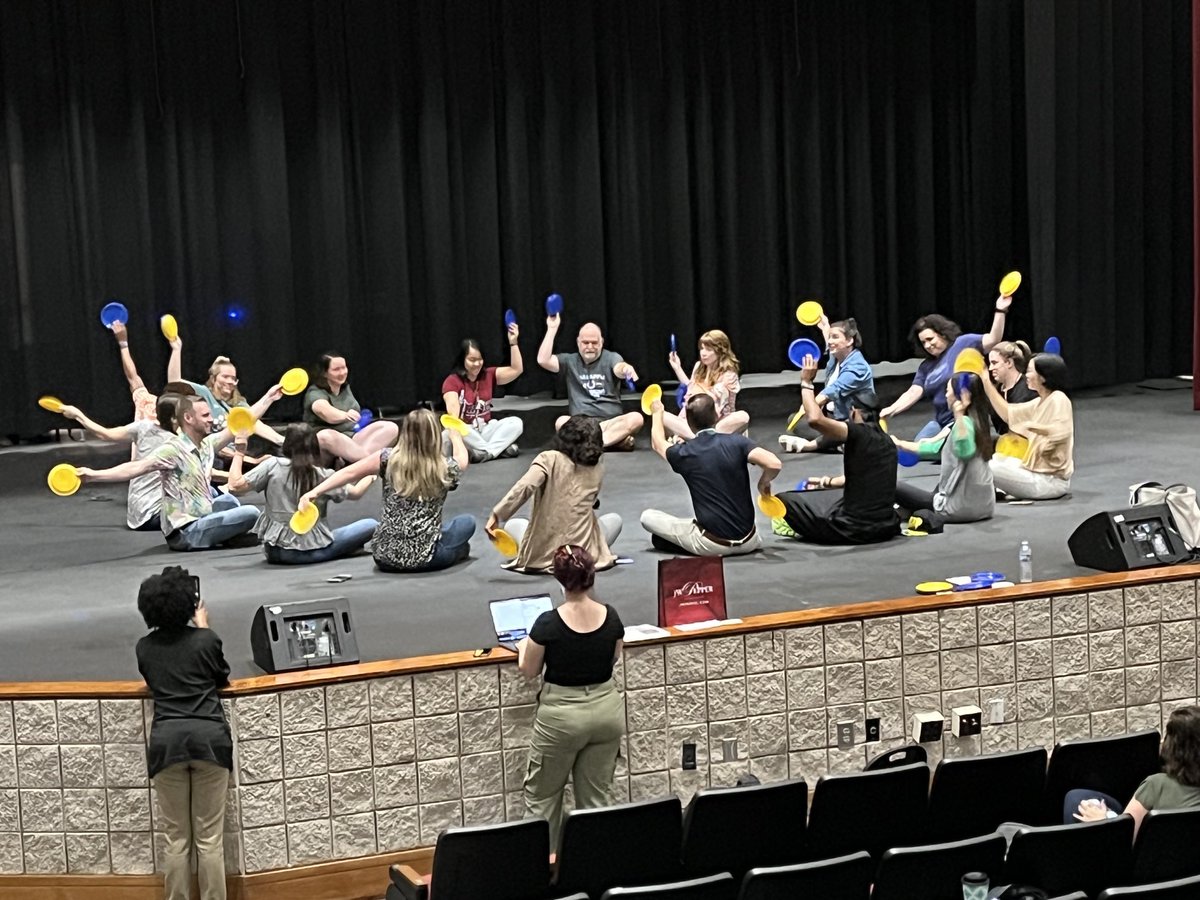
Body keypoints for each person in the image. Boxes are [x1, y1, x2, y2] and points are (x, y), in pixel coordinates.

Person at [519, 544, 625, 852]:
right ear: (592, 575)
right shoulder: (612, 616)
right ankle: (597, 872)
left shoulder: (547, 623)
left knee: (543, 798)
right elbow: (614, 657)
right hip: (606, 710)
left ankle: (544, 874)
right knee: (598, 799)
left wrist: (524, 645)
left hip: (562, 717)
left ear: (558, 578)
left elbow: (529, 669)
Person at [76, 390, 278, 550]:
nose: (211, 419)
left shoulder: (206, 444)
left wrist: (269, 397)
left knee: (229, 501)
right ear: (188, 418)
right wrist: (94, 475)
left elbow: (239, 422)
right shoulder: (172, 449)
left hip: (199, 514)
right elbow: (136, 468)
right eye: (206, 415)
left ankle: (225, 536)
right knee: (251, 512)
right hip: (185, 532)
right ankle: (223, 537)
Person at [135, 566, 232, 900]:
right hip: (209, 742)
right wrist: (203, 627)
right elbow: (220, 676)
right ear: (189, 606)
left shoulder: (144, 648)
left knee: (176, 839)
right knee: (209, 840)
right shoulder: (206, 640)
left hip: (167, 745)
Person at [299, 409, 475, 572]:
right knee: (467, 522)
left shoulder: (387, 458)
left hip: (385, 557)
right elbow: (462, 460)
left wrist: (314, 492)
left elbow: (349, 472)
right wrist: (455, 434)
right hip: (426, 558)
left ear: (406, 434)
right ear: (435, 436)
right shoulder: (445, 467)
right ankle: (451, 549)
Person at [775, 354, 900, 545]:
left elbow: (815, 420)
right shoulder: (887, 441)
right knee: (831, 496)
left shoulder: (857, 432)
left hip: (854, 529)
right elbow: (864, 478)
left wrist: (806, 382)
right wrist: (827, 482)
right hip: (887, 526)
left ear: (854, 412)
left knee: (785, 501)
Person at [641, 393, 781, 556]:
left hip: (712, 545)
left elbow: (657, 443)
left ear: (689, 423)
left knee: (648, 517)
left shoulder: (685, 453)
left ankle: (690, 538)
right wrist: (763, 483)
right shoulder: (737, 442)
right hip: (750, 541)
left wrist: (657, 413)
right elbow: (774, 463)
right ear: (716, 416)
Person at [226, 424, 379, 565]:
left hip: (272, 551)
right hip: (306, 553)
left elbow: (234, 485)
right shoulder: (323, 475)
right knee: (370, 525)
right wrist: (370, 475)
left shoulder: (272, 465)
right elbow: (356, 493)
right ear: (315, 447)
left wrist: (239, 452)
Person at [487, 415, 622, 573]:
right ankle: (592, 551)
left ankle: (541, 554)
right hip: (582, 552)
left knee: (513, 525)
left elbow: (524, 487)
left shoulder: (548, 459)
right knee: (614, 520)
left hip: (545, 554)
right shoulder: (597, 467)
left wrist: (497, 515)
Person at [880, 293, 1013, 439]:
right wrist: (891, 409)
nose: (928, 345)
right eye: (923, 343)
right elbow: (913, 392)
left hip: (964, 416)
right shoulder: (926, 366)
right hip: (941, 421)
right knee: (920, 445)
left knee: (931, 448)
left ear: (942, 334)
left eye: (930, 339)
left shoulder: (963, 343)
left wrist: (1000, 311)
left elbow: (994, 339)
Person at [59, 389, 191, 531]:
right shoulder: (175, 444)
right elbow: (132, 469)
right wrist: (93, 476)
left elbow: (106, 434)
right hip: (153, 515)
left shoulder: (144, 426)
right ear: (174, 418)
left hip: (137, 514)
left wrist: (78, 415)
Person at [1068, 706, 1200, 837]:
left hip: (1146, 855)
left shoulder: (1156, 786)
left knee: (1075, 800)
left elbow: (1125, 840)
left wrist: (1103, 819)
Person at [893, 374, 995, 524]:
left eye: (948, 391)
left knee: (891, 484)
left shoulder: (963, 423)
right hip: (984, 507)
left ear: (960, 396)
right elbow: (933, 449)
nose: (946, 395)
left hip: (959, 509)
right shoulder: (979, 421)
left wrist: (959, 414)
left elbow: (965, 451)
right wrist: (899, 443)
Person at [536, 315, 643, 449]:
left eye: (594, 343)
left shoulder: (611, 358)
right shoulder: (569, 361)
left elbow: (619, 368)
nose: (590, 347)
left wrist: (626, 369)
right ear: (578, 342)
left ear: (602, 342)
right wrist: (552, 329)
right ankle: (611, 442)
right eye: (586, 343)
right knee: (561, 422)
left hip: (611, 421)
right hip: (581, 424)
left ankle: (588, 444)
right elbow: (543, 360)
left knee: (636, 418)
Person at [980, 352, 1073, 500]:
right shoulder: (1041, 401)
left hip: (1049, 482)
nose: (1026, 375)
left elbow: (1061, 433)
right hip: (1039, 474)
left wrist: (1033, 428)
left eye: (1029, 371)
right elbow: (1008, 414)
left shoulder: (1058, 399)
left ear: (1042, 377)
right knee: (998, 458)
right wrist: (986, 382)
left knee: (988, 467)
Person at [779, 316, 875, 453]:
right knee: (795, 420)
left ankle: (813, 445)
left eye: (835, 337)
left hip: (854, 422)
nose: (830, 342)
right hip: (834, 418)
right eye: (830, 338)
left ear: (849, 341)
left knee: (819, 420)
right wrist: (825, 326)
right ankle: (839, 443)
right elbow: (829, 341)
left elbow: (825, 396)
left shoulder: (857, 368)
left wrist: (806, 383)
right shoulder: (836, 357)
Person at [170, 349, 285, 451]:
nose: (230, 381)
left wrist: (270, 397)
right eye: (225, 377)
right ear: (213, 379)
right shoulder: (204, 393)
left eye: (233, 378)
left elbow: (253, 420)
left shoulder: (238, 402)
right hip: (212, 450)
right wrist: (176, 348)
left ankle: (283, 442)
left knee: (251, 420)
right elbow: (174, 382)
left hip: (237, 452)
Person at [441, 326, 524, 462]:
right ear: (462, 360)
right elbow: (453, 418)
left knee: (516, 423)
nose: (477, 364)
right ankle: (499, 450)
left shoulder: (489, 375)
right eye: (472, 360)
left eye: (480, 359)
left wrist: (513, 343)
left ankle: (486, 453)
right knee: (447, 434)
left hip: (486, 429)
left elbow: (516, 369)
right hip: (467, 433)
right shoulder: (452, 381)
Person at [303, 352, 399, 464]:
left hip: (352, 438)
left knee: (390, 427)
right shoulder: (315, 392)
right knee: (325, 436)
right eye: (336, 369)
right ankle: (366, 462)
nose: (342, 372)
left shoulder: (345, 388)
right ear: (324, 373)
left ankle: (355, 461)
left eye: (344, 368)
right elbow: (325, 413)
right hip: (331, 442)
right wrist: (345, 415)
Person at [663, 329, 750, 439]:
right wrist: (677, 368)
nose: (703, 353)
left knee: (743, 416)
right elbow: (691, 390)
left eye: (708, 349)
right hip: (695, 422)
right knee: (661, 415)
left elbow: (716, 409)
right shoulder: (699, 367)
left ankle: (695, 438)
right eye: (701, 348)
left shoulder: (729, 375)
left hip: (717, 423)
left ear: (720, 351)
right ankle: (697, 438)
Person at [109, 319, 182, 425]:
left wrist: (123, 344)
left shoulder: (181, 430)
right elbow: (132, 377)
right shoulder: (149, 406)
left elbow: (132, 377)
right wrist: (176, 350)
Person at [987, 340, 1037, 435]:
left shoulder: (1030, 387)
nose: (990, 368)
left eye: (994, 363)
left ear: (1009, 363)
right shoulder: (996, 392)